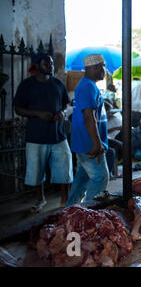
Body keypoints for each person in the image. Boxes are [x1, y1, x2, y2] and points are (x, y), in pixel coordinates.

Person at [13, 53, 73, 212]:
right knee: (36, 170)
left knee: (65, 168)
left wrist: (63, 113)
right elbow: (18, 109)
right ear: (37, 65)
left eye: (52, 64)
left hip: (58, 135)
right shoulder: (27, 85)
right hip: (36, 136)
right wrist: (38, 114)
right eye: (47, 64)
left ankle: (64, 200)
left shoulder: (58, 84)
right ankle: (40, 199)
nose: (51, 66)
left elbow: (67, 105)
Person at [66, 54, 110, 206]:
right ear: (96, 67)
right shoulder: (87, 86)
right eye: (104, 67)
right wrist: (97, 143)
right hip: (89, 144)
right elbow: (88, 117)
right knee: (100, 178)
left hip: (84, 142)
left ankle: (69, 211)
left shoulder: (87, 85)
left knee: (81, 181)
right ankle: (90, 214)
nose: (105, 70)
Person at [104, 98, 122, 177]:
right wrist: (115, 128)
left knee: (121, 144)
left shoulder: (111, 116)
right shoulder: (99, 116)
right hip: (102, 138)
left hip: (109, 137)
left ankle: (116, 165)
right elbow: (103, 131)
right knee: (117, 147)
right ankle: (110, 172)